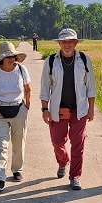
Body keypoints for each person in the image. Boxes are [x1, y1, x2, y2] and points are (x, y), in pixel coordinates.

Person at [39, 28, 96, 190]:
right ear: (59, 43)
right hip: (58, 109)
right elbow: (45, 88)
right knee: (57, 142)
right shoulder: (51, 61)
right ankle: (63, 161)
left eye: (70, 41)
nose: (67, 44)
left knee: (78, 142)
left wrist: (91, 108)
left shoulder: (84, 60)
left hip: (80, 110)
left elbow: (90, 87)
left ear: (76, 43)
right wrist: (45, 109)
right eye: (64, 41)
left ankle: (75, 176)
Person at [0, 41, 32, 192]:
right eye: (8, 57)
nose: (11, 59)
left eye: (13, 56)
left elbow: (28, 89)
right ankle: (0, 178)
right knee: (1, 145)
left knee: (18, 143)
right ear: (1, 59)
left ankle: (17, 169)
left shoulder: (21, 70)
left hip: (19, 109)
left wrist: (27, 106)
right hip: (0, 111)